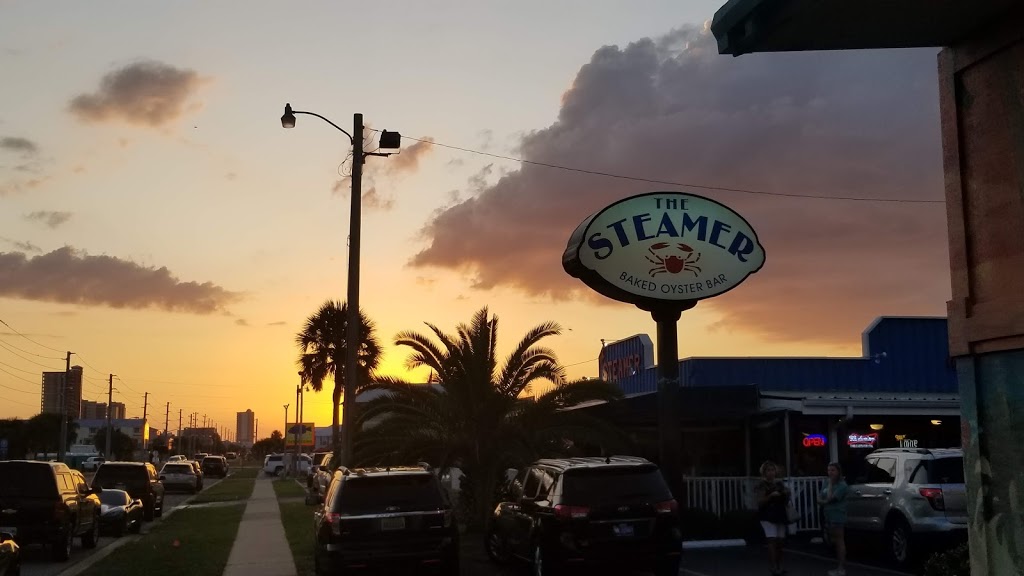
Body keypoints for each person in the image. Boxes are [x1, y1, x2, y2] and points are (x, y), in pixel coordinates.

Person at [755, 460, 791, 576]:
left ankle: (780, 565)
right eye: (768, 470)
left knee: (780, 541)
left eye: (772, 470)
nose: (771, 473)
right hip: (767, 515)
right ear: (764, 473)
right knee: (772, 540)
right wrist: (770, 496)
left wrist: (786, 494)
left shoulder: (779, 484)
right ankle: (773, 566)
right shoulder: (761, 485)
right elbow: (760, 502)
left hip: (779, 514)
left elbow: (786, 500)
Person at [819, 462, 849, 576]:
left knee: (839, 540)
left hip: (838, 515)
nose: (830, 473)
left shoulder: (842, 485)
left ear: (838, 472)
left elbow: (831, 498)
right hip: (828, 514)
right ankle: (838, 565)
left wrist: (830, 485)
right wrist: (823, 501)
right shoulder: (826, 482)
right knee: (833, 540)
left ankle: (841, 568)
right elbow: (820, 497)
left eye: (833, 470)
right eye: (828, 470)